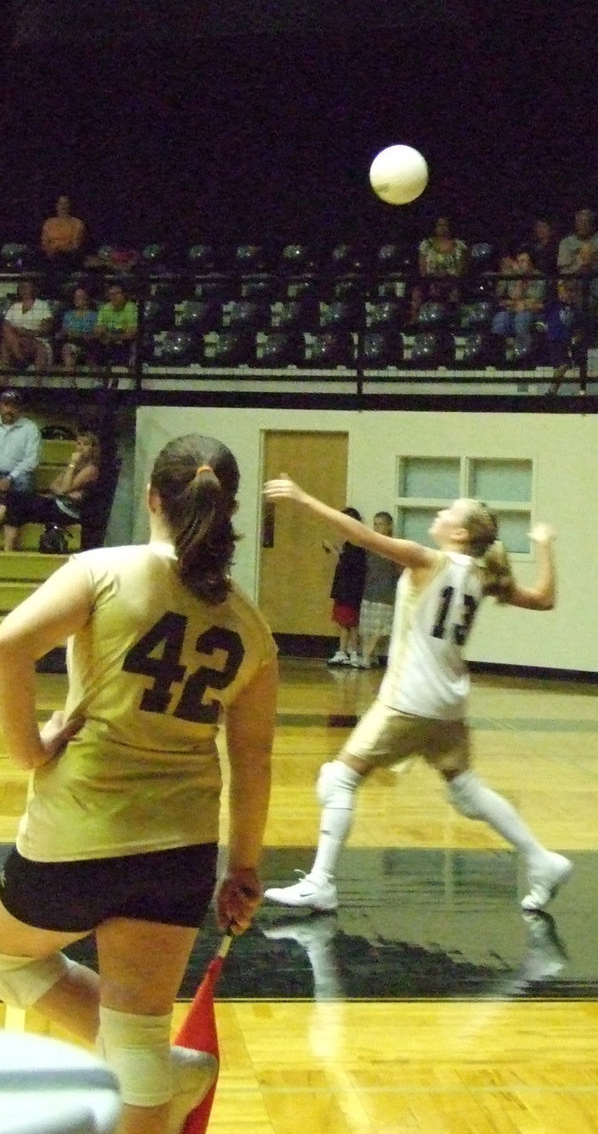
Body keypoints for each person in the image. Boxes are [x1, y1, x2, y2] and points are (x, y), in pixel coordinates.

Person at [0, 434, 279, 1134]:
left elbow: (6, 647)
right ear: (230, 509)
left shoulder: (102, 571)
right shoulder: (251, 627)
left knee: (7, 960)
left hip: (78, 832)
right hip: (179, 851)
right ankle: (165, 1068)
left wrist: (30, 751)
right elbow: (253, 766)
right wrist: (242, 868)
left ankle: (164, 1066)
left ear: (153, 497)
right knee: (138, 1040)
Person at [261, 475, 571, 914]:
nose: (440, 514)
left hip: (410, 699)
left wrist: (303, 496)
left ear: (460, 534)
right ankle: (542, 859)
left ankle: (321, 882)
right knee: (465, 789)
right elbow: (544, 599)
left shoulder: (428, 561)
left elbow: (361, 536)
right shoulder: (482, 575)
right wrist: (543, 546)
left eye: (450, 512)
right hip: (449, 701)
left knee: (338, 778)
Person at [0, 428, 101, 550]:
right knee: (14, 502)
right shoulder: (73, 466)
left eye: (86, 444)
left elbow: (63, 488)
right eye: (79, 443)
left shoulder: (90, 469)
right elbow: (53, 485)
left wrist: (72, 466)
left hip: (67, 512)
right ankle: (8, 549)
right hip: (57, 503)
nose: (80, 448)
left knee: (15, 500)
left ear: (93, 448)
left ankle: (8, 548)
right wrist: (65, 493)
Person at [356, 511, 402, 669]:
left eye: (381, 524)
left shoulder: (394, 546)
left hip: (386, 591)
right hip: (369, 589)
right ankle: (370, 654)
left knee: (380, 626)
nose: (377, 527)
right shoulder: (370, 545)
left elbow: (399, 569)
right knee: (366, 628)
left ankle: (366, 656)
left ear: (389, 526)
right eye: (375, 524)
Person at [557, 208, 598, 335]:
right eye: (580, 221)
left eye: (587, 221)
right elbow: (563, 270)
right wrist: (580, 265)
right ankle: (578, 326)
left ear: (592, 223)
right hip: (574, 281)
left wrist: (594, 261)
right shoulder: (566, 243)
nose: (583, 224)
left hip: (597, 278)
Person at [324, 507, 367, 667]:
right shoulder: (351, 542)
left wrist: (334, 550)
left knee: (351, 623)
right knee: (344, 622)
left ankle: (352, 652)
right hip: (345, 589)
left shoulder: (356, 543)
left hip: (350, 589)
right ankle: (344, 651)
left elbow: (349, 564)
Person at [410, 216, 468, 321]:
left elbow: (461, 269)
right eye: (440, 225)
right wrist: (432, 281)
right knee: (417, 292)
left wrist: (448, 280)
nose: (443, 228)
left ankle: (454, 320)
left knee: (455, 293)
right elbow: (422, 269)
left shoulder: (459, 246)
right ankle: (415, 320)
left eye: (445, 225)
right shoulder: (426, 245)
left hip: (452, 281)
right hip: (430, 281)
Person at [491, 247, 546, 345]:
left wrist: (523, 305)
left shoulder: (540, 278)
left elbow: (538, 301)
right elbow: (510, 298)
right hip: (514, 310)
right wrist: (520, 279)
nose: (520, 264)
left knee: (522, 318)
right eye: (519, 261)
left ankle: (522, 351)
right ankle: (497, 351)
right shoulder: (514, 277)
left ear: (531, 263)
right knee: (500, 317)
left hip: (533, 312)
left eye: (524, 261)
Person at [0, 278, 54, 375]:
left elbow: (46, 328)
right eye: (21, 288)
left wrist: (27, 333)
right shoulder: (14, 306)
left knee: (6, 343)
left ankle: (21, 362)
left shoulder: (42, 305)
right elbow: (5, 327)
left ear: (33, 289)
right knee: (5, 340)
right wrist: (18, 334)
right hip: (16, 339)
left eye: (26, 287)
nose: (23, 290)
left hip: (34, 339)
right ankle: (5, 381)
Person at [40, 195, 87, 297]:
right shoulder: (49, 223)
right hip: (51, 254)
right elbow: (45, 243)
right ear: (56, 206)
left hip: (68, 254)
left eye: (66, 203)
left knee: (66, 257)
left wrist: (59, 249)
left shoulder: (77, 223)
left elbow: (75, 245)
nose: (63, 206)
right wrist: (51, 251)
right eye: (61, 203)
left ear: (70, 205)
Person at [0, 388, 41, 497]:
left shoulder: (30, 428)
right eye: (6, 405)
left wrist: (9, 478)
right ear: (0, 406)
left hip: (17, 475)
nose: (10, 409)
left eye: (14, 406)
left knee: (24, 480)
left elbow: (31, 461)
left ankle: (17, 513)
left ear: (19, 408)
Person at [91, 281, 138, 371]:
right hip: (108, 340)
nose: (113, 297)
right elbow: (97, 330)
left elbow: (131, 332)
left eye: (116, 294)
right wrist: (106, 333)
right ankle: (98, 378)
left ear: (124, 295)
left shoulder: (131, 308)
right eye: (111, 294)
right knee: (94, 344)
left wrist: (111, 335)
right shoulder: (105, 308)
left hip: (124, 342)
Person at [57, 284, 99, 374]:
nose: (76, 299)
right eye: (75, 297)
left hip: (87, 343)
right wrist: (63, 333)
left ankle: (97, 381)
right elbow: (63, 331)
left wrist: (79, 334)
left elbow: (95, 333)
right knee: (67, 348)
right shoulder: (68, 314)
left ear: (86, 299)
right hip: (71, 343)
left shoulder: (93, 315)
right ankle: (70, 382)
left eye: (79, 297)